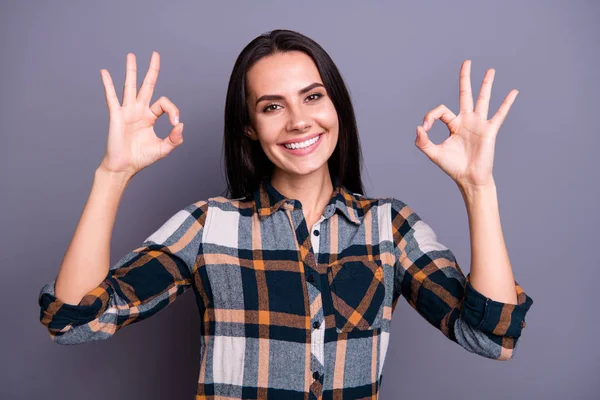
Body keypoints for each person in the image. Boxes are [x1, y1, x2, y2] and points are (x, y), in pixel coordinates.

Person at [38, 29, 533, 399]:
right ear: (249, 127)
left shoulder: (390, 228)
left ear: (335, 105)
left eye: (313, 97)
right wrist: (112, 174)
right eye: (272, 106)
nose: (299, 120)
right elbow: (76, 321)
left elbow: (491, 338)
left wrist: (477, 186)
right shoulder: (210, 226)